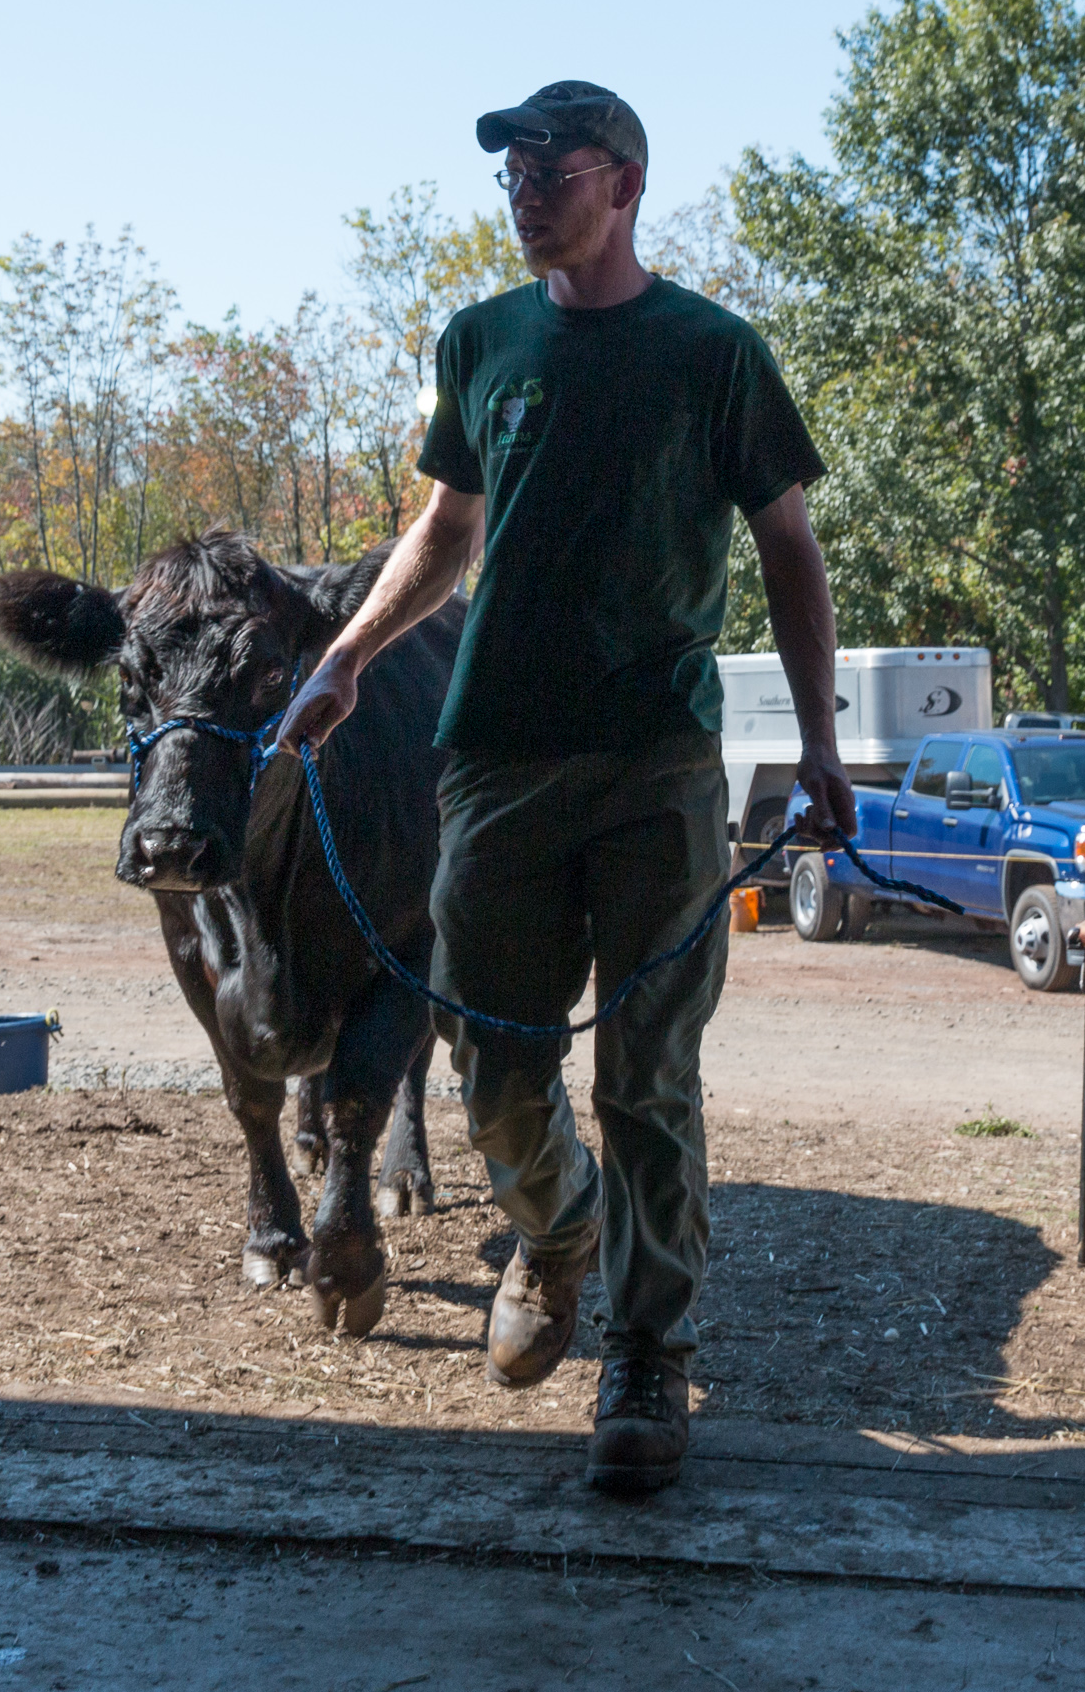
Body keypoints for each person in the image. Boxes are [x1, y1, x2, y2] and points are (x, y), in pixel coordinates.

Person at [279, 81, 854, 1495]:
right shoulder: (481, 342)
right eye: (512, 169)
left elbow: (790, 548)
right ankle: (558, 1232)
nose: (526, 186)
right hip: (495, 761)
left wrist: (825, 748)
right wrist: (348, 656)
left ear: (626, 183)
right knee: (492, 1068)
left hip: (658, 762)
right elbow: (446, 529)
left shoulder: (715, 353)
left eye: (552, 162)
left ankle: (646, 1363)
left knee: (649, 1078)